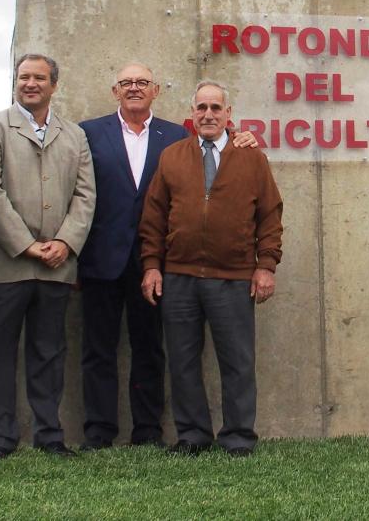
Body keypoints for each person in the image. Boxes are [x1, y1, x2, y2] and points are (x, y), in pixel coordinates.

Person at [77, 62, 257, 450]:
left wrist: (244, 138)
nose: (134, 88)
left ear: (156, 90)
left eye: (142, 82)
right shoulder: (88, 133)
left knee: (150, 349)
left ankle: (147, 431)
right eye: (126, 82)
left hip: (159, 265)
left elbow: (220, 143)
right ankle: (99, 431)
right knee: (98, 350)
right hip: (105, 258)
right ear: (115, 91)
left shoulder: (176, 137)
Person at [140, 80, 283, 457]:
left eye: (215, 108)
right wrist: (152, 266)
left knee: (237, 362)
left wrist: (265, 265)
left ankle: (237, 437)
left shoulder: (252, 158)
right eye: (201, 108)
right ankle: (192, 436)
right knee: (183, 361)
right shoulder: (172, 156)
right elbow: (153, 218)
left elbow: (270, 215)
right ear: (192, 114)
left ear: (228, 114)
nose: (208, 115)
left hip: (233, 278)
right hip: (180, 277)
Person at [0, 53, 96, 458]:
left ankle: (49, 435)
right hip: (6, 264)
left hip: (56, 267)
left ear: (53, 85)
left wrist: (65, 242)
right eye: (24, 77)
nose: (31, 84)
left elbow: (85, 195)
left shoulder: (74, 136)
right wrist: (26, 244)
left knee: (48, 353)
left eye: (39, 78)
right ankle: (0, 438)